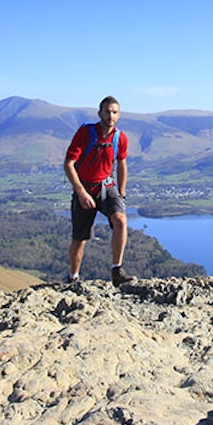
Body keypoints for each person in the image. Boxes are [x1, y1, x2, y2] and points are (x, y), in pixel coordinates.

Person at [63, 95, 132, 287]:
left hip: (105, 185)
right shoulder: (86, 133)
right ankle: (73, 278)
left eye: (114, 112)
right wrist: (81, 193)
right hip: (84, 186)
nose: (111, 116)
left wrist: (121, 192)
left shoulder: (120, 138)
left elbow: (122, 164)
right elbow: (69, 163)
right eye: (107, 111)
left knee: (120, 220)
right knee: (79, 239)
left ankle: (117, 269)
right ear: (99, 113)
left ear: (119, 115)